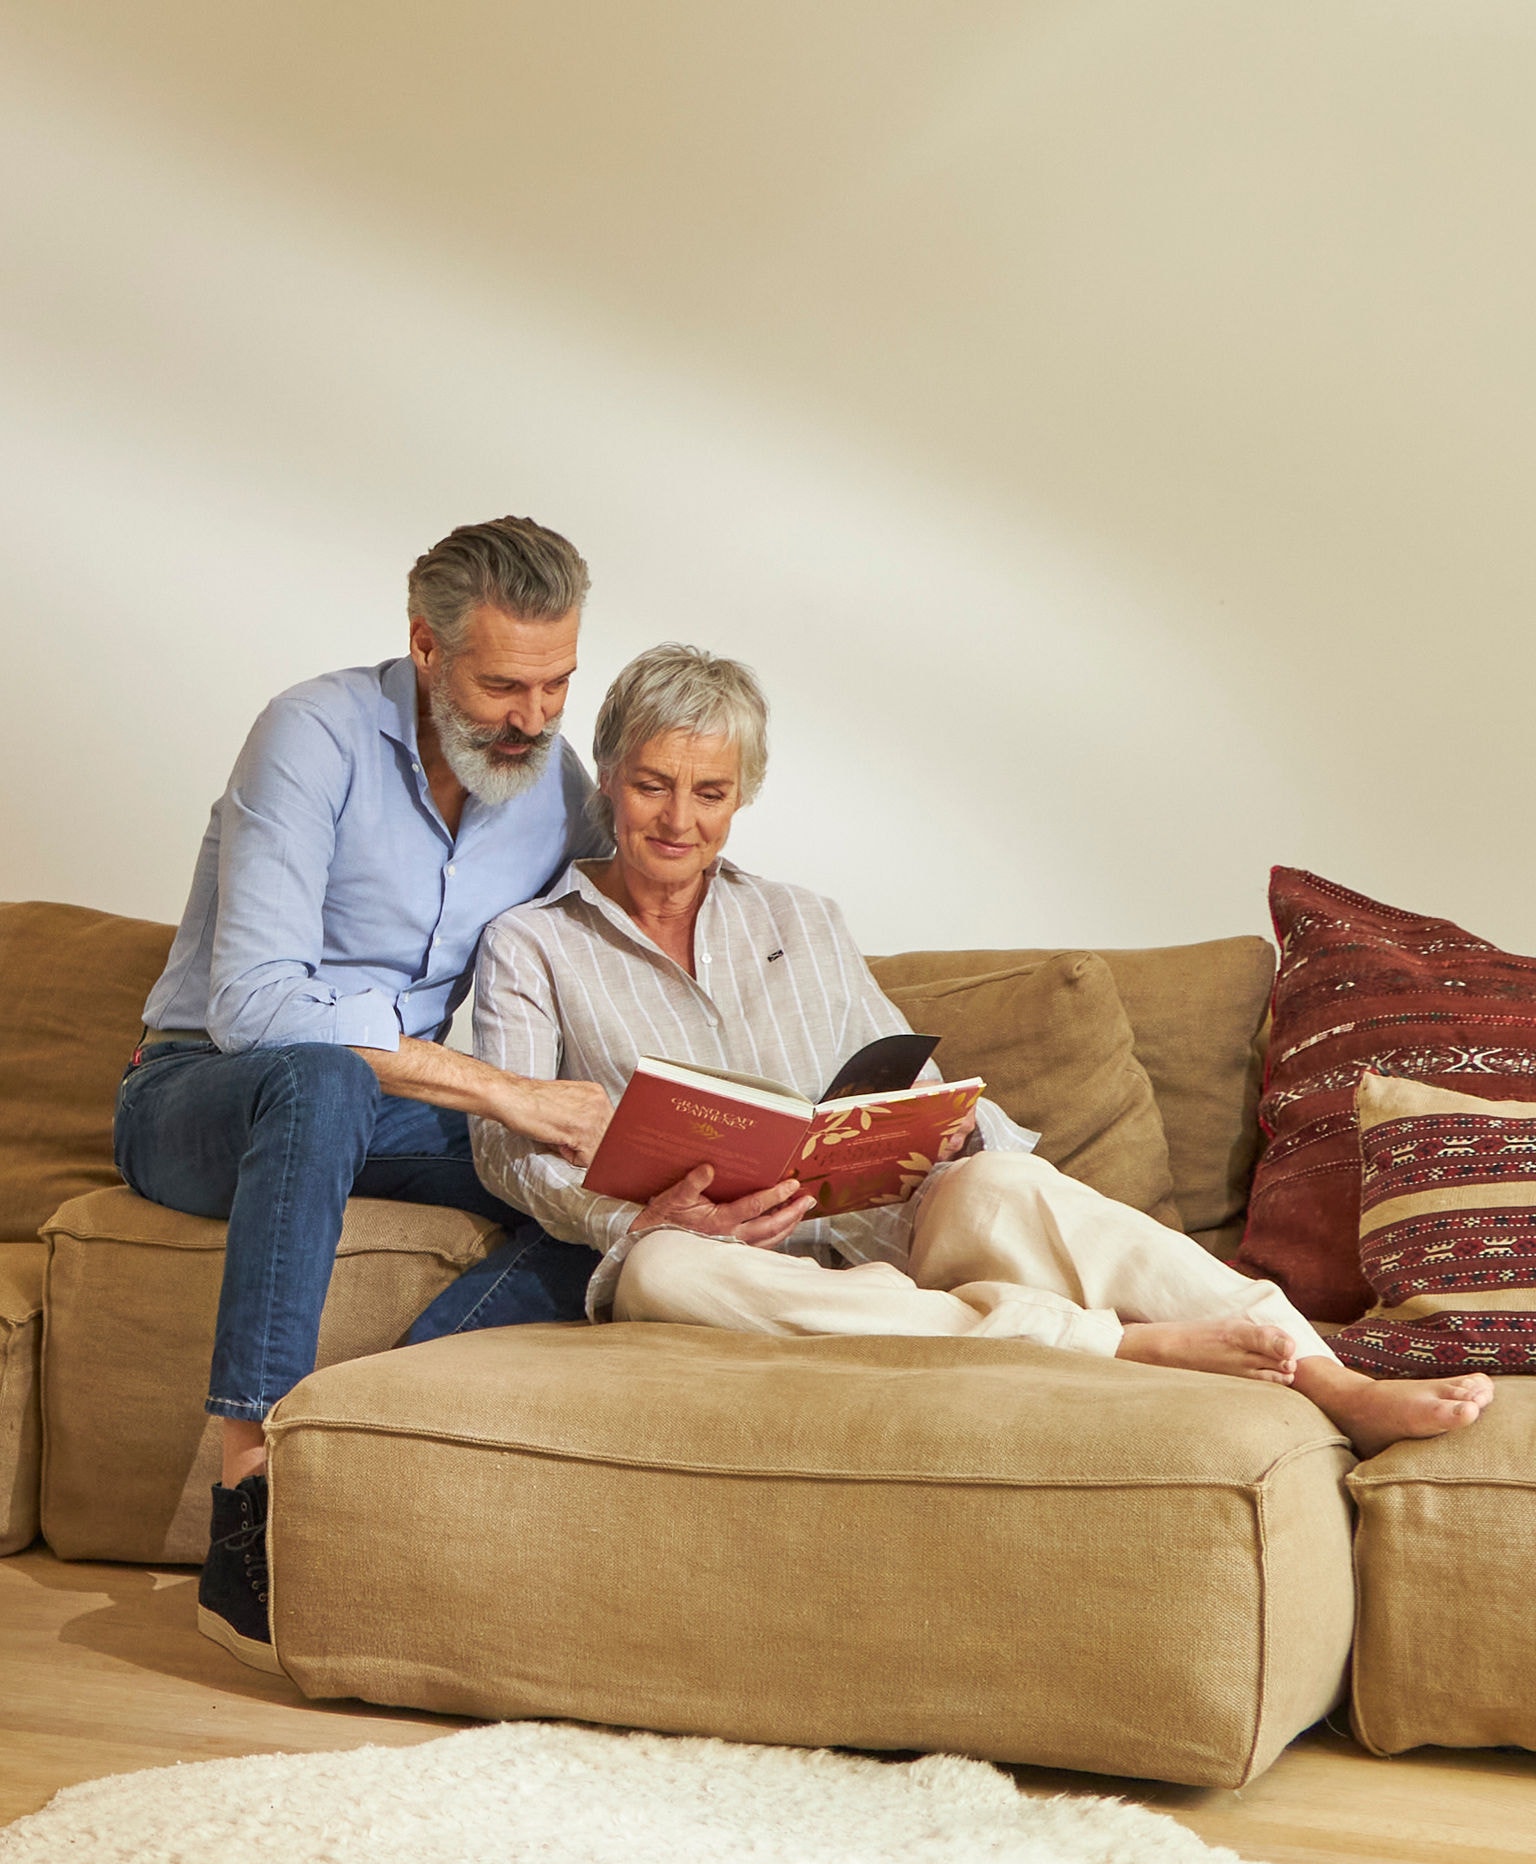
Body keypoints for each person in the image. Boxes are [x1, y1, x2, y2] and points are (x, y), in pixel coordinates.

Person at [470, 642, 1497, 1460]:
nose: (680, 820)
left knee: (1002, 1178)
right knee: (658, 1274)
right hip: (728, 1261)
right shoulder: (532, 942)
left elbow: (895, 1061)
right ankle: (1112, 1342)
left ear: (743, 793)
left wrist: (959, 1125)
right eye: (654, 785)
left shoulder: (804, 917)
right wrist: (640, 1214)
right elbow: (505, 1151)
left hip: (887, 1229)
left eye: (711, 792)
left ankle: (1331, 1377)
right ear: (608, 776)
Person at [116, 515, 614, 1671]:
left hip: (374, 1105)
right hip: (198, 1091)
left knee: (605, 1190)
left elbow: (621, 927)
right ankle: (251, 1502)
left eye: (556, 684)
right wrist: (499, 1089)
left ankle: (377, 1430)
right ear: (426, 650)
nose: (531, 718)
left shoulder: (556, 783)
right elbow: (254, 1005)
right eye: (503, 683)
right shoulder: (310, 734)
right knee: (323, 1077)